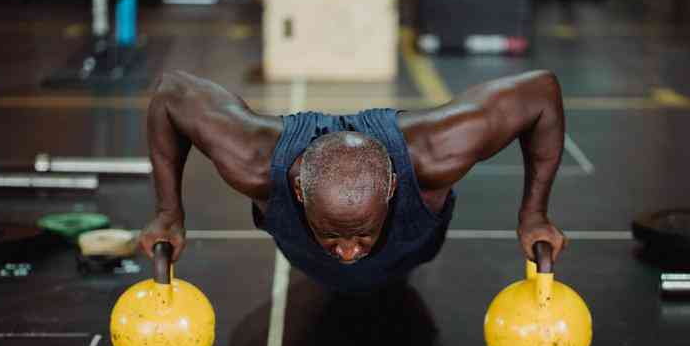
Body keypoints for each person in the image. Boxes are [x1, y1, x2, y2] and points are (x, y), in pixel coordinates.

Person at [139, 70, 568, 291]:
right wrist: (167, 213)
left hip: (411, 256)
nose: (346, 253)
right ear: (298, 191)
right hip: (310, 266)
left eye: (362, 234)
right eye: (331, 235)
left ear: (394, 187)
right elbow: (170, 92)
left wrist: (534, 214)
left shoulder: (435, 157)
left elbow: (541, 91)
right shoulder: (254, 162)